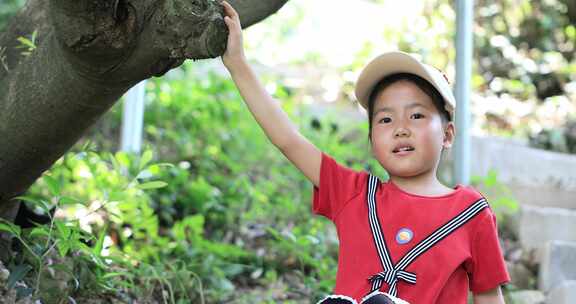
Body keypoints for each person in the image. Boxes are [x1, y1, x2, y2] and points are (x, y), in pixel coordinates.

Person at [220, 2, 510, 303]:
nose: (400, 128)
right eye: (385, 119)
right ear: (372, 141)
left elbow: (489, 297)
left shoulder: (471, 212)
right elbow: (287, 139)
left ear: (448, 134)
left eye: (416, 116)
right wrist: (238, 62)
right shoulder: (354, 194)